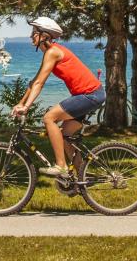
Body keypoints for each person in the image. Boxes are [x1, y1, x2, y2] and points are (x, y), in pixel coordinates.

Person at [11, 16, 105, 178]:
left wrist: (26, 107)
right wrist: (20, 102)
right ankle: (82, 178)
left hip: (89, 95)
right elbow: (35, 81)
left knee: (49, 118)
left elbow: (40, 83)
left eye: (34, 32)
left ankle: (60, 166)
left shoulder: (53, 52)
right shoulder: (51, 52)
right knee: (65, 137)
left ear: (44, 36)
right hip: (91, 94)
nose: (31, 36)